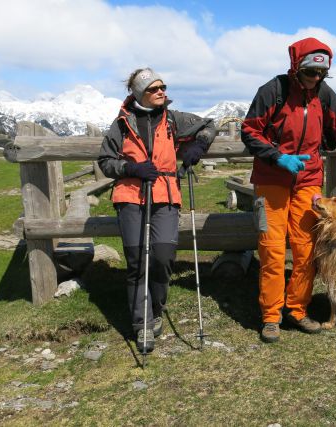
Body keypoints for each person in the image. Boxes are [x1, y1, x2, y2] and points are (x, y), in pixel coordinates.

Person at [241, 37, 336, 343]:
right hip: (272, 180)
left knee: (307, 251)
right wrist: (278, 156)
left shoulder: (324, 94)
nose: (315, 79)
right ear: (296, 67)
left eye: (321, 74)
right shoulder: (273, 91)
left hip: (307, 181)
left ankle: (297, 309)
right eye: (310, 73)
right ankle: (270, 316)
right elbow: (250, 131)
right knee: (271, 250)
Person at [98, 68, 215, 352]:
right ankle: (143, 324)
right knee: (138, 260)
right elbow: (105, 160)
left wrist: (197, 147)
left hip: (165, 192)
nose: (162, 92)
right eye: (154, 88)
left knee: (163, 256)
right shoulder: (121, 124)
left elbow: (210, 125)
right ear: (139, 93)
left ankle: (157, 308)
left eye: (163, 86)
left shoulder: (174, 118)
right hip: (130, 194)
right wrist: (130, 167)